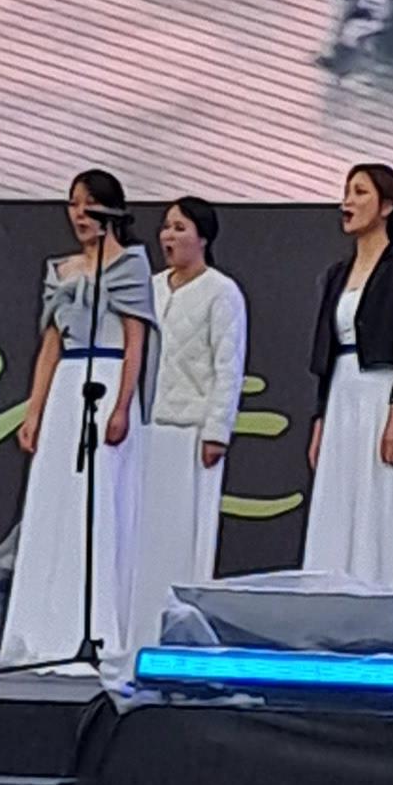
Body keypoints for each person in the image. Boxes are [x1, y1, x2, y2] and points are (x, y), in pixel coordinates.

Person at [0, 170, 154, 672]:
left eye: (89, 204)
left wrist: (123, 404)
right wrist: (34, 409)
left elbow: (135, 341)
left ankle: (95, 627)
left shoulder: (130, 266)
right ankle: (45, 628)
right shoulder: (60, 270)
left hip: (105, 380)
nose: (79, 215)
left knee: (99, 502)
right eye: (73, 204)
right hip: (69, 384)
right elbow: (51, 345)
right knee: (55, 502)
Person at [302, 161, 393, 617]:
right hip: (343, 396)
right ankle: (334, 611)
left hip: (384, 395)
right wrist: (321, 417)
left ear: (386, 206)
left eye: (360, 192)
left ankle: (389, 611)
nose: (347, 201)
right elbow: (327, 351)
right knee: (342, 504)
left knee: (386, 504)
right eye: (347, 192)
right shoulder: (336, 274)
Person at [137, 198, 246, 652]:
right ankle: (138, 623)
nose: (168, 236)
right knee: (143, 533)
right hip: (147, 427)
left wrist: (217, 430)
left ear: (203, 237)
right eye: (166, 227)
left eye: (179, 228)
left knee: (185, 533)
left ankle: (180, 631)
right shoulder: (150, 288)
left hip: (192, 431)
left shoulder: (222, 292)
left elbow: (228, 366)